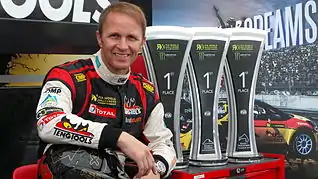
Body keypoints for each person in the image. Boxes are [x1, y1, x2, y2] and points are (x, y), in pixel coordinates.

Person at [36, 2, 176, 179]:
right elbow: (48, 122)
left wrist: (154, 171)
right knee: (70, 159)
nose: (123, 46)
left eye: (132, 38)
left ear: (142, 43)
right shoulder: (67, 75)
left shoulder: (145, 91)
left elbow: (164, 144)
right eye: (114, 36)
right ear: (100, 38)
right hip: (67, 172)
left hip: (120, 173)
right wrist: (119, 138)